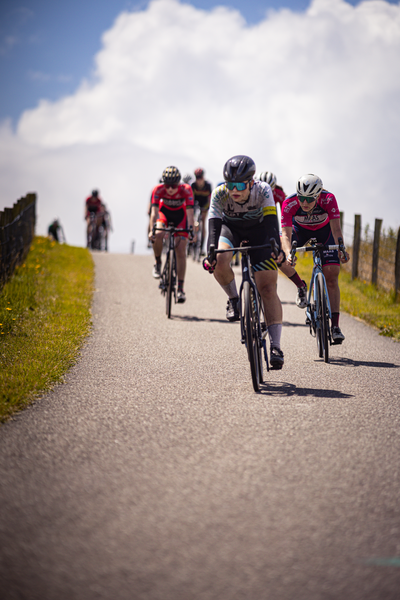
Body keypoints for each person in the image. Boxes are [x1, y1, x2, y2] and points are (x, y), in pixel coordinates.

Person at [203, 155, 285, 369]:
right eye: (230, 184)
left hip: (259, 231)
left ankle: (276, 345)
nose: (234, 190)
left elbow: (270, 223)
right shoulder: (220, 193)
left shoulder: (263, 190)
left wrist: (275, 246)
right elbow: (213, 224)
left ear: (250, 182)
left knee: (267, 288)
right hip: (232, 230)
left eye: (240, 185)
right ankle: (234, 299)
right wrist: (210, 251)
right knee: (220, 260)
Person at [279, 174, 350, 344]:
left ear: (318, 196)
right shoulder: (289, 203)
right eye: (301, 197)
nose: (304, 202)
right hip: (300, 231)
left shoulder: (329, 199)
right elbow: (286, 236)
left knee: (331, 275)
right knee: (279, 257)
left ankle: (335, 326)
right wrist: (290, 254)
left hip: (324, 233)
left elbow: (336, 230)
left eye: (309, 199)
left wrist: (341, 249)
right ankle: (301, 285)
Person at [148, 166, 194, 303]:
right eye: (167, 185)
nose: (170, 189)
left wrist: (191, 231)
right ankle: (157, 262)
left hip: (181, 216)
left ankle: (180, 288)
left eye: (173, 185)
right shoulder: (158, 189)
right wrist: (152, 230)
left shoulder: (186, 189)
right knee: (159, 233)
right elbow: (154, 213)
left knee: (181, 250)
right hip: (164, 214)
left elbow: (190, 213)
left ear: (179, 183)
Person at [191, 168, 212, 256]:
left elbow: (210, 198)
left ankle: (202, 247)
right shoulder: (193, 185)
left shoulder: (208, 185)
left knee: (203, 223)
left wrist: (208, 208)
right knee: (193, 220)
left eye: (200, 177)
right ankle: (192, 239)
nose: (199, 180)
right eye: (197, 178)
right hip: (195, 203)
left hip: (204, 204)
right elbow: (190, 199)